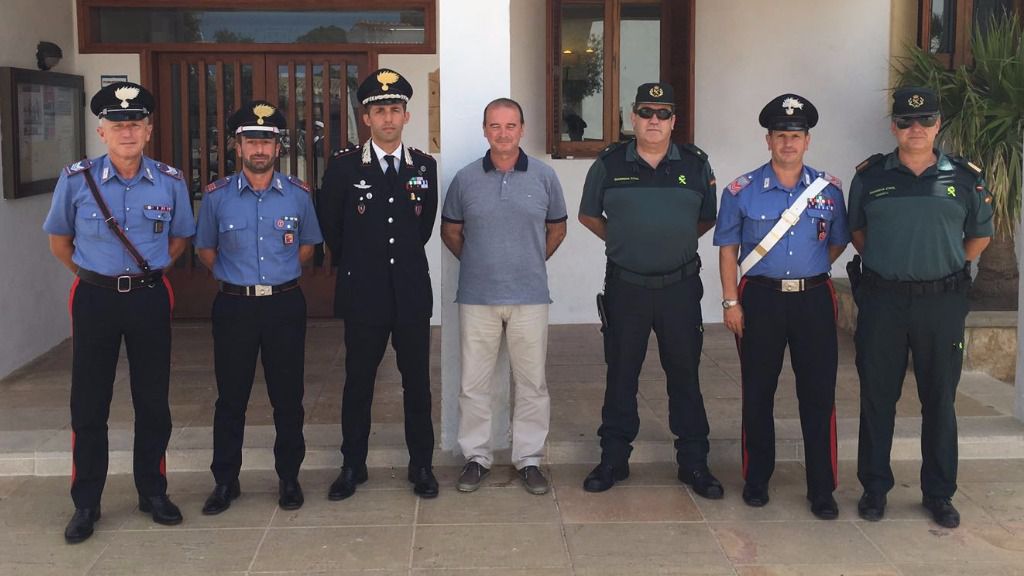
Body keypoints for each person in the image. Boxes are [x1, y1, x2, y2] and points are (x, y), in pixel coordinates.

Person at [43, 82, 194, 543]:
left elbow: (178, 239)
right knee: (89, 403)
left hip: (148, 297)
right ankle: (86, 502)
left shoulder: (170, 181)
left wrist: (142, 278)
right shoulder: (75, 179)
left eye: (135, 124)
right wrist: (96, 276)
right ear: (101, 130)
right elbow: (60, 242)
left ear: (149, 130)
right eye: (118, 124)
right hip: (95, 299)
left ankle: (152, 491)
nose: (127, 132)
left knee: (153, 401)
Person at [849, 86, 992, 529]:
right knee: (877, 399)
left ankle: (939, 493)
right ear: (894, 126)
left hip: (941, 303)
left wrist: (940, 267)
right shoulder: (870, 177)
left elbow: (978, 237)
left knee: (940, 399)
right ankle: (874, 488)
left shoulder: (964, 178)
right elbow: (858, 233)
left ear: (938, 125)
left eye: (925, 121)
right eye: (906, 121)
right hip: (883, 301)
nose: (916, 129)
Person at [578, 82, 722, 498]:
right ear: (632, 119)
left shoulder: (696, 165)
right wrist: (624, 241)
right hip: (627, 287)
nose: (654, 121)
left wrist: (667, 244)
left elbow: (705, 220)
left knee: (685, 375)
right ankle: (613, 460)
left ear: (674, 121)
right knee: (621, 374)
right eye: (646, 113)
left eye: (662, 114)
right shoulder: (608, 164)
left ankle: (694, 464)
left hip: (679, 288)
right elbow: (590, 216)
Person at [714, 94, 849, 519]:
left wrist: (807, 273)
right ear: (767, 140)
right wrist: (731, 300)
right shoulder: (741, 190)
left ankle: (822, 488)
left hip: (813, 298)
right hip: (760, 299)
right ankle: (757, 480)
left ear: (807, 141)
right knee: (758, 392)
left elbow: (838, 241)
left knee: (818, 394)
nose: (788, 143)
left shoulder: (828, 191)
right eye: (780, 135)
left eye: (796, 135)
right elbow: (728, 249)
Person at [194, 101, 322, 515]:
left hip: (284, 305)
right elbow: (207, 250)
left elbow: (307, 247)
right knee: (231, 397)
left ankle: (289, 477)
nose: (260, 148)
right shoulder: (216, 198)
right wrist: (240, 278)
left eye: (267, 140)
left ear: (278, 146)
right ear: (238, 146)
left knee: (289, 397)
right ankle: (225, 481)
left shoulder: (299, 195)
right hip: (235, 307)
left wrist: (274, 278)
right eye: (252, 140)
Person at [319, 68, 440, 500]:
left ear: (406, 116)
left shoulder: (424, 166)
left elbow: (422, 229)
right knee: (358, 383)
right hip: (363, 293)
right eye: (378, 110)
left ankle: (421, 464)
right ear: (365, 117)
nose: (387, 118)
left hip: (409, 293)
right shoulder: (344, 167)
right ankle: (353, 465)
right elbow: (333, 229)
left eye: (395, 109)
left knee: (417, 384)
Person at [440, 98, 568, 495]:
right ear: (484, 131)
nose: (503, 133)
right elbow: (451, 231)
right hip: (478, 296)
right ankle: (477, 457)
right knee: (474, 383)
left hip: (530, 296)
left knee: (531, 383)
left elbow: (558, 228)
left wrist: (527, 261)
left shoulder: (544, 177)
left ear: (522, 129)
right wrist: (481, 263)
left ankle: (528, 459)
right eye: (494, 126)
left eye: (510, 126)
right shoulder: (464, 179)